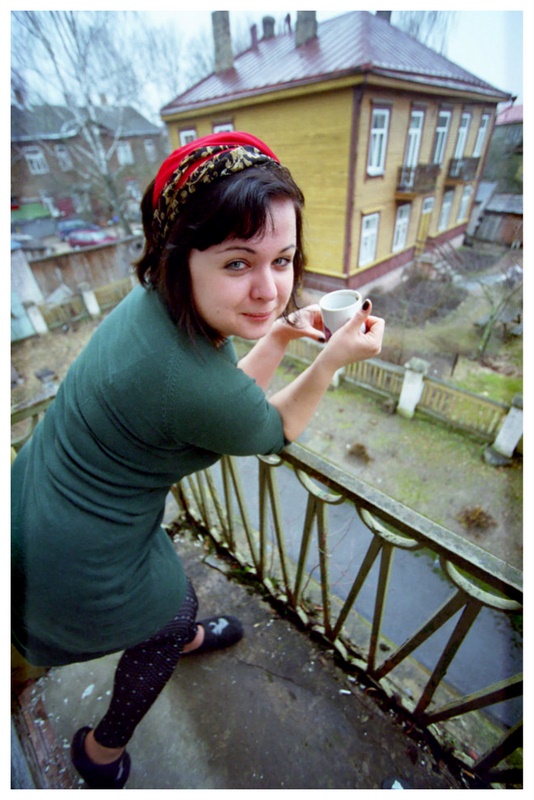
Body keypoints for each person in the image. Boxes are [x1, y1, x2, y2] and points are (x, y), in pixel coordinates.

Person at [11, 132, 385, 788]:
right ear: (178, 256)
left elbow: (225, 392)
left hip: (37, 492)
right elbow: (271, 426)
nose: (270, 289)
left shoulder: (154, 307)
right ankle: (101, 751)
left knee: (173, 601)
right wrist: (331, 360)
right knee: (165, 618)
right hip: (77, 548)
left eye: (283, 259)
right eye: (238, 263)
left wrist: (279, 335)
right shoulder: (189, 378)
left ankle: (178, 632)